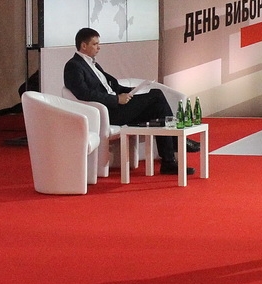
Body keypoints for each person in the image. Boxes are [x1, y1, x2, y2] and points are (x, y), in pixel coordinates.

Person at [63, 28, 198, 176]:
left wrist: (134, 90)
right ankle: (177, 142)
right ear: (83, 45)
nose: (99, 47)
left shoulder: (93, 64)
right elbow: (84, 94)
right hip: (108, 112)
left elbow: (112, 86)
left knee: (158, 111)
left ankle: (168, 162)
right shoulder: (73, 66)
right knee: (156, 95)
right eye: (95, 44)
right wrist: (116, 99)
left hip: (117, 107)